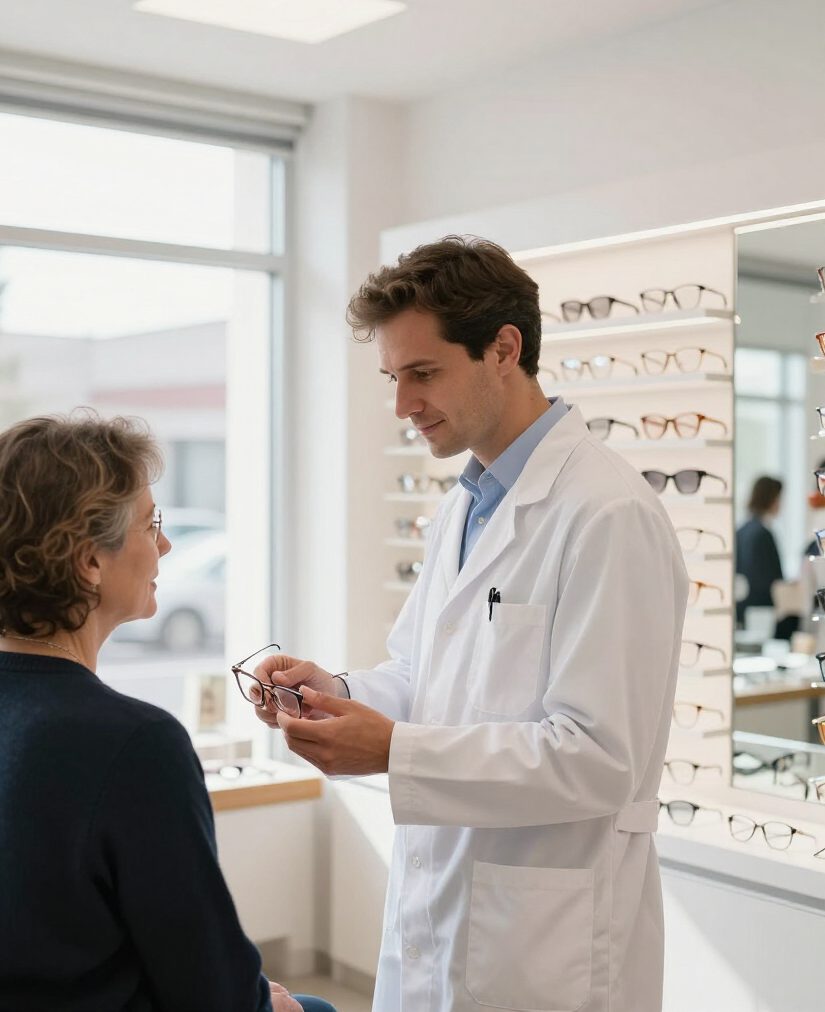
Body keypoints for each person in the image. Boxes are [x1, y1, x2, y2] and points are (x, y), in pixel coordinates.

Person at [248, 238, 689, 1012]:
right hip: (443, 913)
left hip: (546, 950)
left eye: (423, 373)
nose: (402, 404)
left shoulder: (607, 514)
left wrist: (392, 749)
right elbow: (427, 675)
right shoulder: (464, 505)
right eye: (393, 377)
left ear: (504, 349)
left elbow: (599, 756)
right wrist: (338, 692)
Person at [0, 412, 333, 1012]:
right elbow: (212, 991)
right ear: (90, 560)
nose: (166, 545)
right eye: (152, 524)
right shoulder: (135, 742)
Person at [736, 475, 791, 638]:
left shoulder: (742, 530)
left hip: (744, 610)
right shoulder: (762, 534)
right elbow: (769, 580)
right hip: (762, 613)